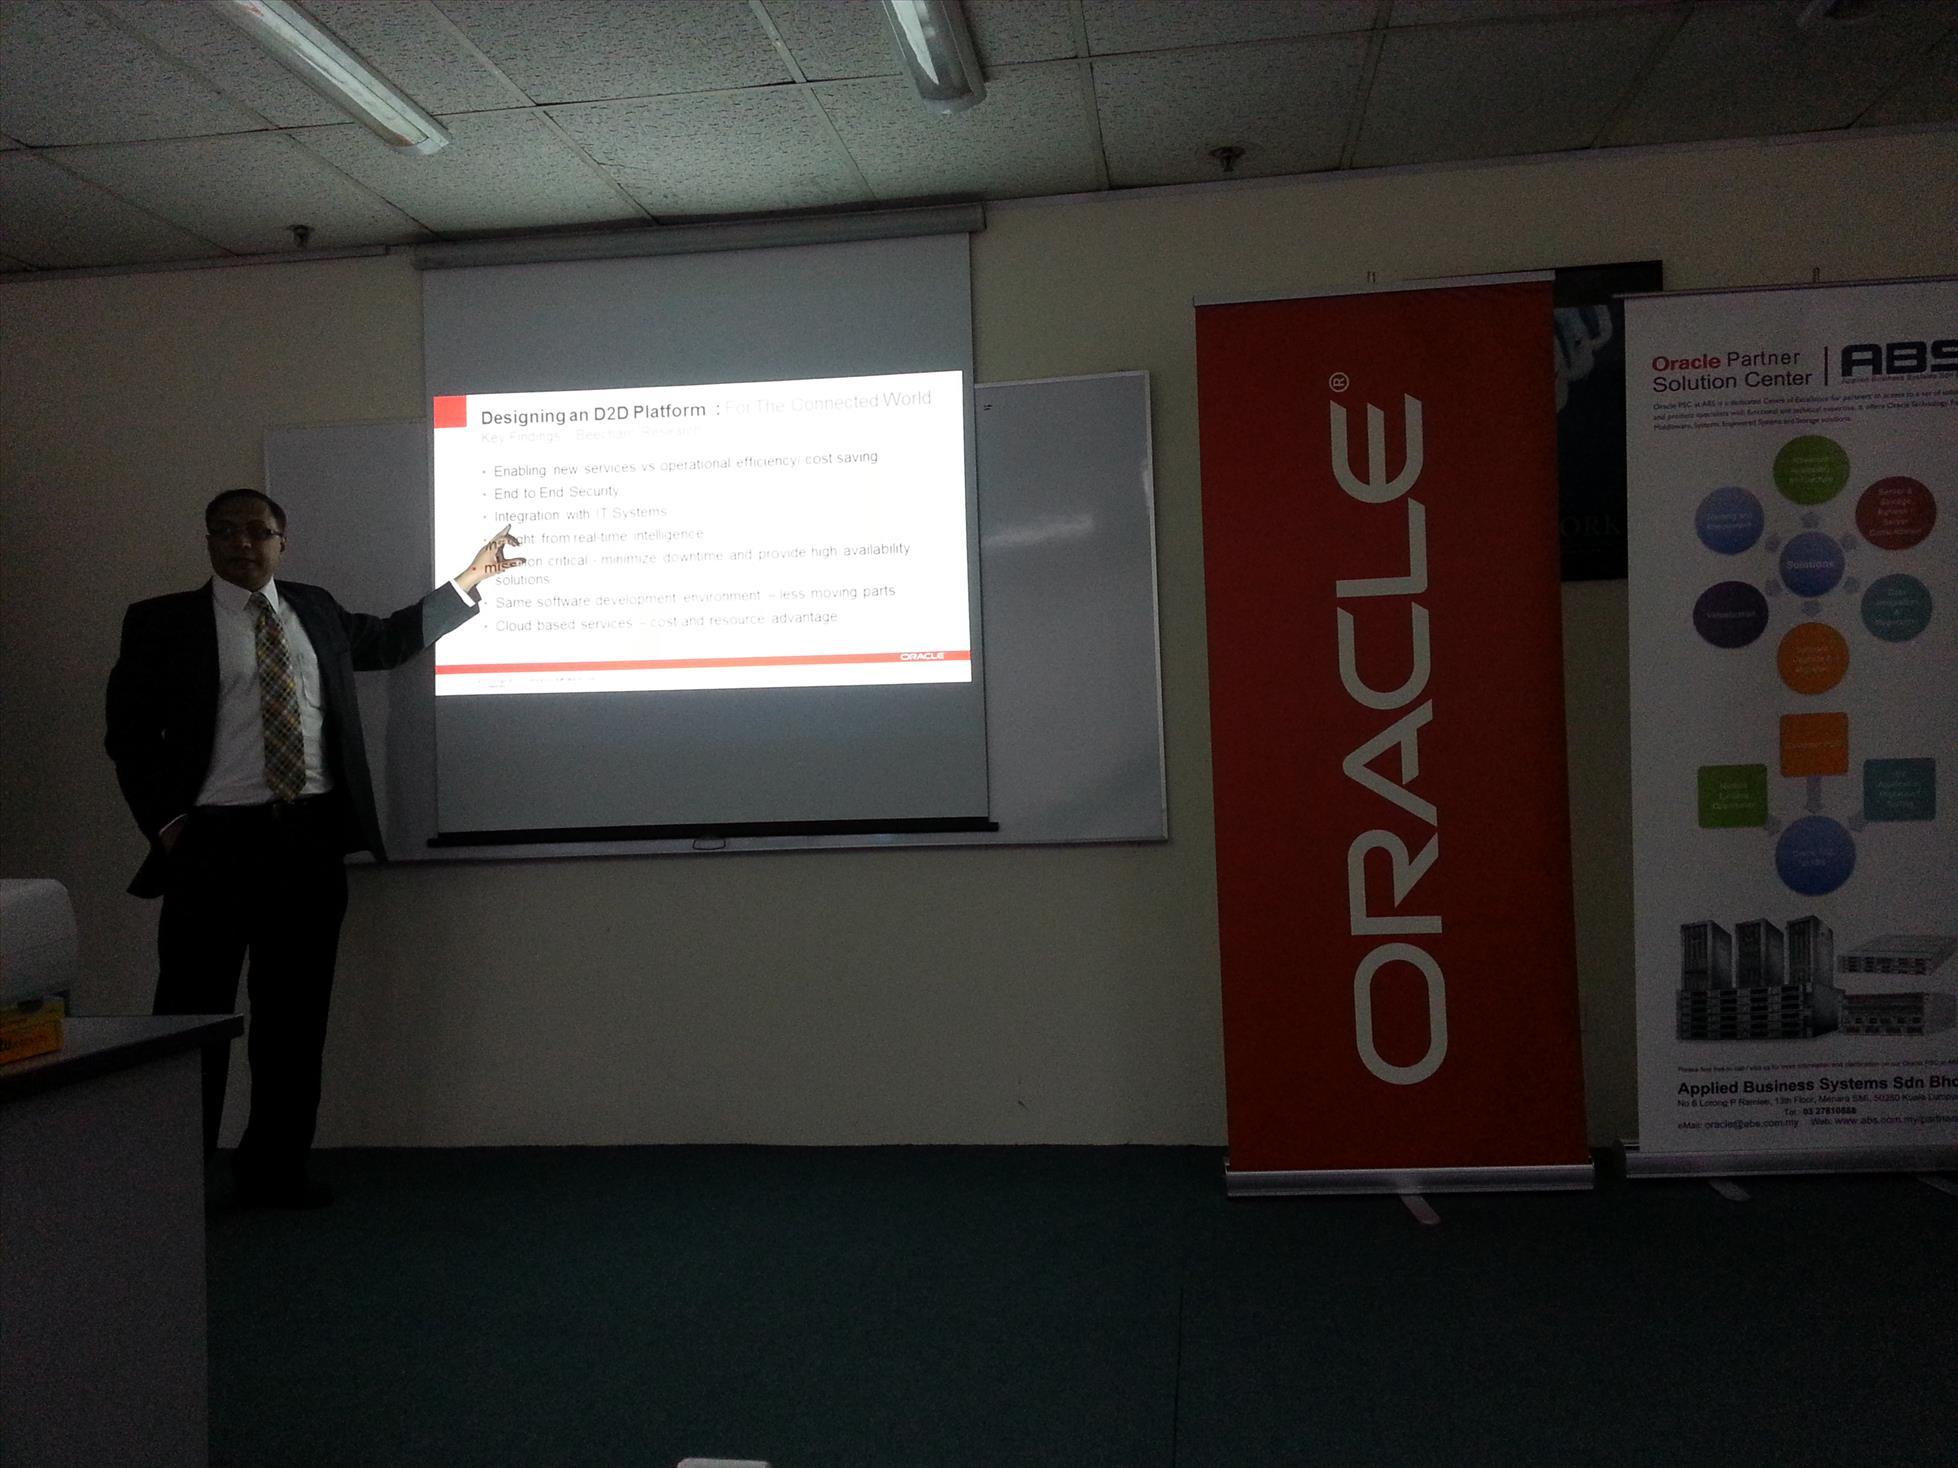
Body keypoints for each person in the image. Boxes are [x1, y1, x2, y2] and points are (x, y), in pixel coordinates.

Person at [106, 489, 522, 1207]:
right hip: (212, 844)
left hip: (307, 841)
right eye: (226, 532)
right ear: (208, 541)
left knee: (294, 1020)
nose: (243, 544)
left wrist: (469, 581)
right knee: (192, 1017)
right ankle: (173, 1190)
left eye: (258, 531)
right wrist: (168, 826)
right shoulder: (161, 622)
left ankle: (275, 1174)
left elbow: (388, 641)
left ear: (282, 541)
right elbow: (129, 736)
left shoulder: (315, 609)